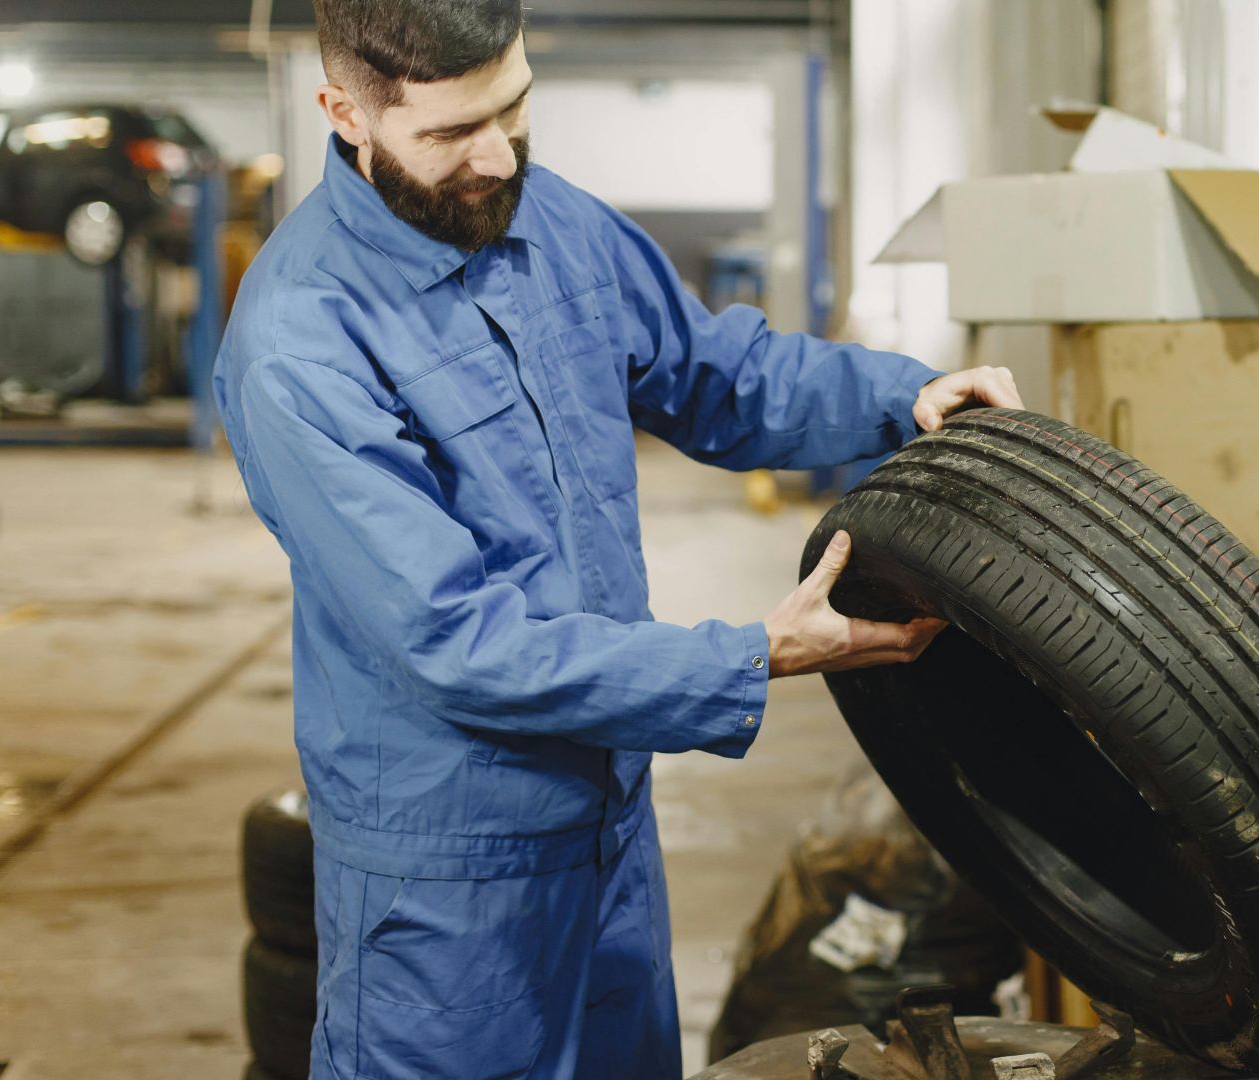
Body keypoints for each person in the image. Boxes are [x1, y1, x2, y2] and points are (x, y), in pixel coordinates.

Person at [212, 2, 1022, 1076]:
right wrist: (750, 655)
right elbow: (457, 639)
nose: (498, 157)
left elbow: (717, 374)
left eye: (514, 106)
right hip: (448, 883)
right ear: (344, 114)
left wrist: (906, 397)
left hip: (610, 831)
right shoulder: (299, 342)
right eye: (453, 133)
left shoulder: (557, 224)